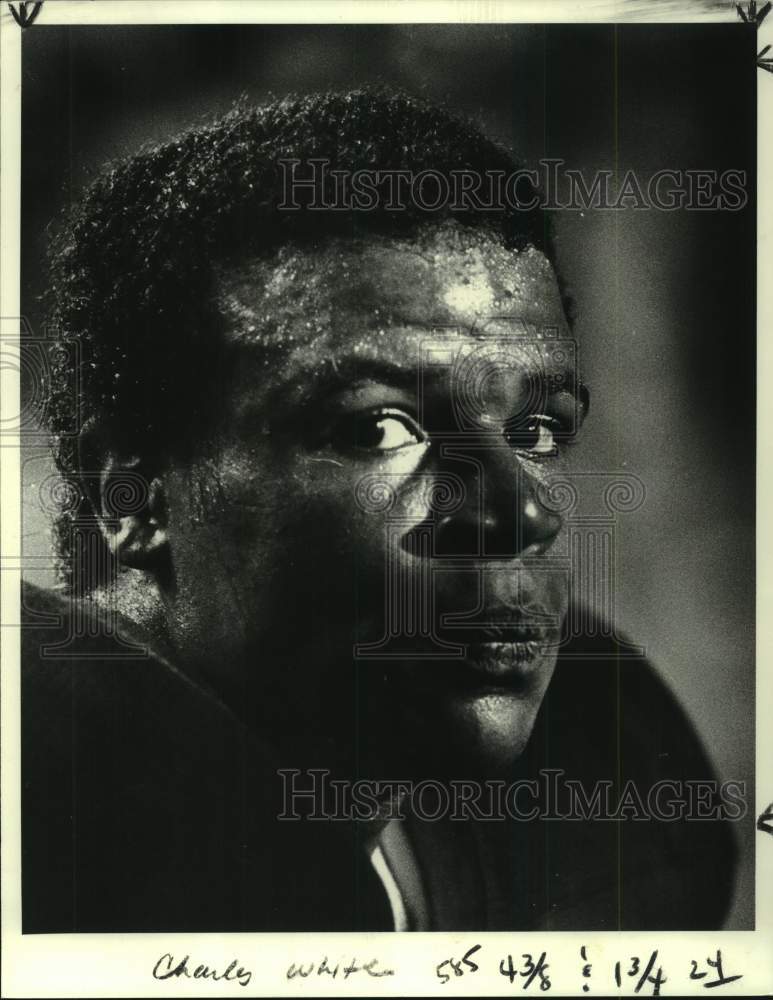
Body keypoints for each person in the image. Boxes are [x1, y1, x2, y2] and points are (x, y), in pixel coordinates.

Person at [22, 89, 737, 932]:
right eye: (374, 427)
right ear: (135, 498)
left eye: (535, 430)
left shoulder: (607, 773)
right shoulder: (45, 801)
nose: (517, 514)